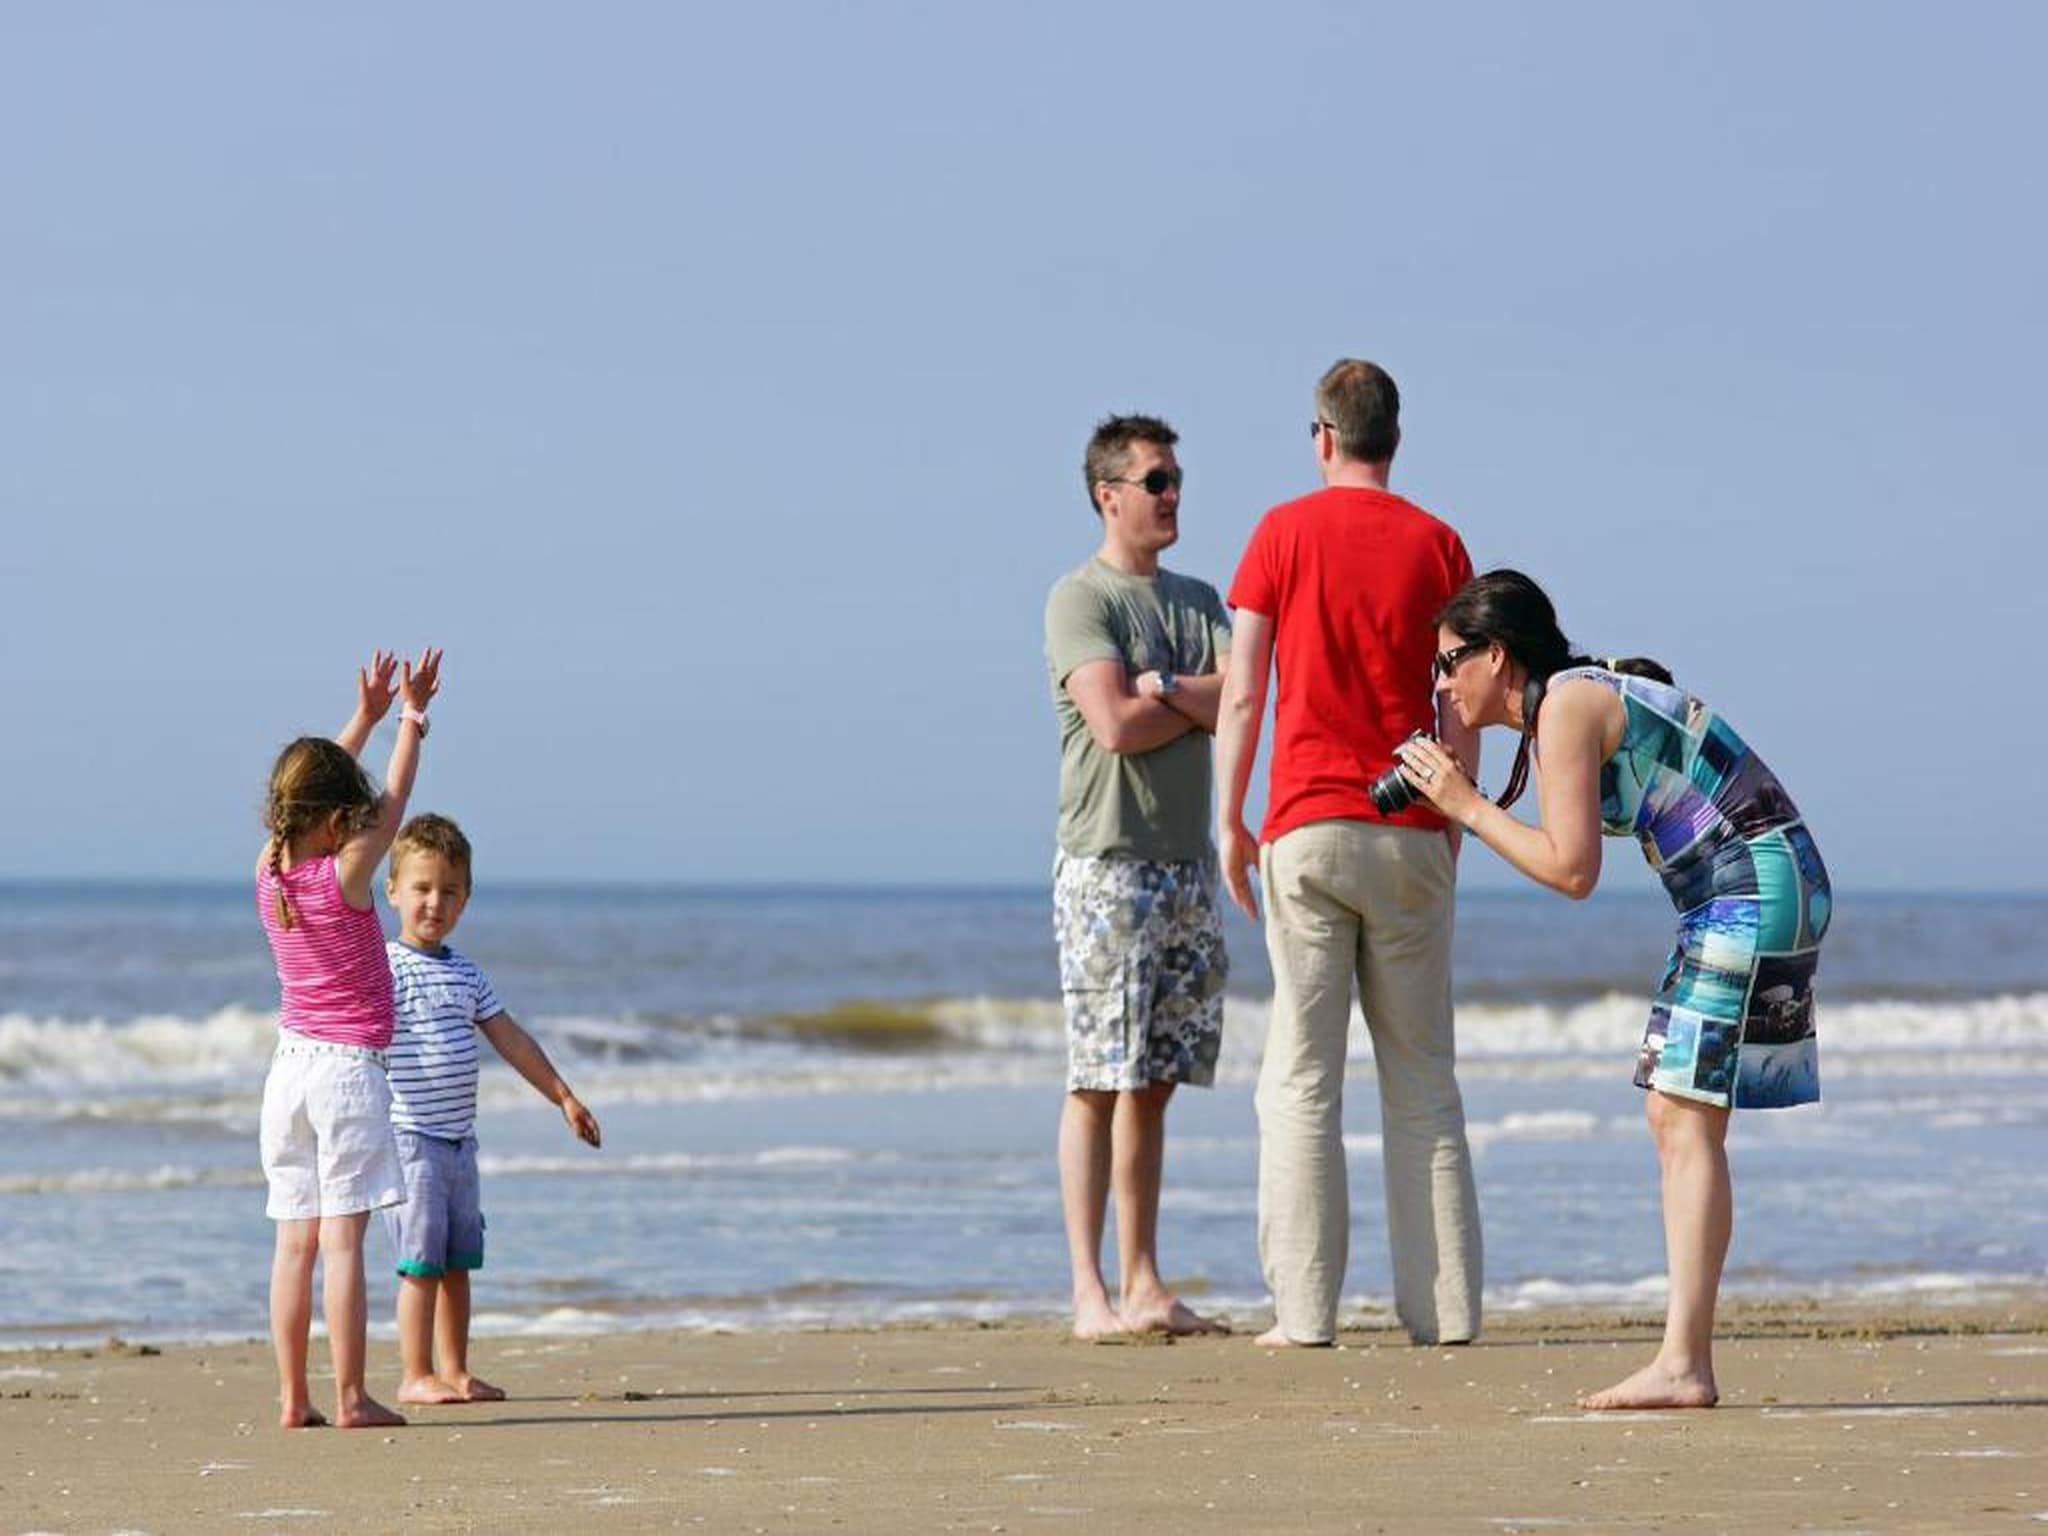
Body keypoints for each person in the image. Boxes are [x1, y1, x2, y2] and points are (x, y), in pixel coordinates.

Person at [1394, 568, 1831, 1409]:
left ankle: (1684, 1365)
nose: (1441, 685)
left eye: (1448, 663)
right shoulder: (1566, 705)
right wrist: (1472, 801)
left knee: (1684, 1117)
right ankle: (1683, 1359)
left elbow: (1571, 871)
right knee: (1675, 1115)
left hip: (1751, 885)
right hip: (1747, 886)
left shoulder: (1565, 706)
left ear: (1496, 654)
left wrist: (1465, 805)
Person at [1215, 359, 1484, 1349]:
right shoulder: (1438, 544)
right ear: (1394, 439)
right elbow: (1461, 699)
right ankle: (1444, 1313)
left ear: (1322, 437)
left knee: (1301, 1077)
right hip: (1409, 826)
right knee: (1422, 1083)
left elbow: (1245, 689)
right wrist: (1458, 814)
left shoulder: (1280, 532)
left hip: (1308, 823)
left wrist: (1228, 818)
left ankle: (1303, 1314)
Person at [1044, 412, 1233, 1339]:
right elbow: (1114, 727)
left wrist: (1160, 688)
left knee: (1157, 1079)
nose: (1172, 495)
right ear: (1108, 495)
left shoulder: (1199, 601)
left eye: (1176, 479)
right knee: (1099, 1078)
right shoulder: (1079, 599)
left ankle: (1144, 1280)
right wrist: (1184, 700)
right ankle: (1090, 1291)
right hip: (1107, 868)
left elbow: (1246, 703)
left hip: (1187, 864)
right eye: (1156, 481)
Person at [256, 646, 441, 1429]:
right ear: (336, 819)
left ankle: (294, 1398)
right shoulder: (347, 874)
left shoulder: (268, 869)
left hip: (288, 1074)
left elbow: (311, 792)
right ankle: (351, 1396)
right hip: (346, 1075)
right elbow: (395, 800)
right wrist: (409, 720)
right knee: (342, 1246)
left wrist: (361, 718)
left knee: (292, 1246)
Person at [381, 812, 601, 1404]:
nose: (435, 903)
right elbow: (352, 1032)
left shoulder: (467, 974)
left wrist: (563, 1095)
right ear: (393, 890)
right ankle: (414, 1372)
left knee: (458, 1262)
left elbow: (511, 1040)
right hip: (410, 1140)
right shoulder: (384, 967)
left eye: (449, 891)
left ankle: (455, 1370)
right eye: (422, 888)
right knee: (420, 1263)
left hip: (460, 1142)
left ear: (466, 899)